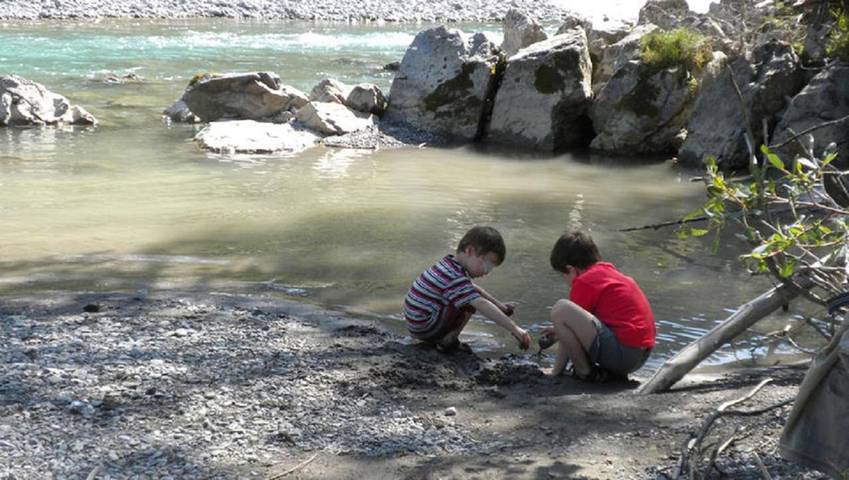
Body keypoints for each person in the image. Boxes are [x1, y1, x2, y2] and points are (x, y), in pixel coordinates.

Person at [542, 231, 655, 381]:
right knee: (564, 313)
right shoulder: (608, 273)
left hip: (625, 355)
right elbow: (586, 324)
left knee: (560, 309)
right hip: (641, 355)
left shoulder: (584, 281)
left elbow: (567, 322)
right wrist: (559, 330)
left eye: (564, 275)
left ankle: (584, 371)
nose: (566, 281)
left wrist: (555, 372)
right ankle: (609, 373)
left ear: (570, 269)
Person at [403, 226, 531, 353]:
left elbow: (475, 289)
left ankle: (446, 338)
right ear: (469, 251)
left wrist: (501, 307)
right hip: (425, 327)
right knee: (470, 302)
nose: (487, 271)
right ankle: (448, 340)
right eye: (486, 264)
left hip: (418, 323)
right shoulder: (453, 276)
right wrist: (515, 329)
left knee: (470, 295)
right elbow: (481, 303)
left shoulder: (448, 266)